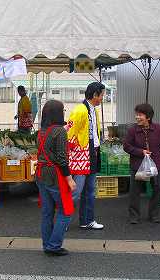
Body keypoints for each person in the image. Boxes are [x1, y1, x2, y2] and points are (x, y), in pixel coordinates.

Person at [123, 104, 160, 224]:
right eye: (137, 114)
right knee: (135, 191)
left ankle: (154, 215)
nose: (137, 117)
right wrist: (141, 152)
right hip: (138, 165)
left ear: (148, 117)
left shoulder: (157, 128)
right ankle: (134, 216)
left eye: (140, 115)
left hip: (156, 164)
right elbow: (126, 146)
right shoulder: (132, 130)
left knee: (157, 188)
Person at [36, 100, 76, 256]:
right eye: (63, 110)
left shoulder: (41, 131)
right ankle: (54, 245)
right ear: (57, 113)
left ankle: (47, 244)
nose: (64, 112)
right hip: (55, 175)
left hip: (41, 174)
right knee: (65, 211)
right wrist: (69, 179)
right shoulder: (60, 131)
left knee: (47, 212)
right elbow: (61, 158)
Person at [66, 82, 105, 230]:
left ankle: (87, 220)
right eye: (102, 95)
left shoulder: (92, 110)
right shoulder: (80, 110)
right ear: (95, 95)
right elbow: (69, 135)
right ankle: (62, 222)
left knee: (90, 191)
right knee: (76, 192)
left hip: (92, 153)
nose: (102, 98)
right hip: (81, 157)